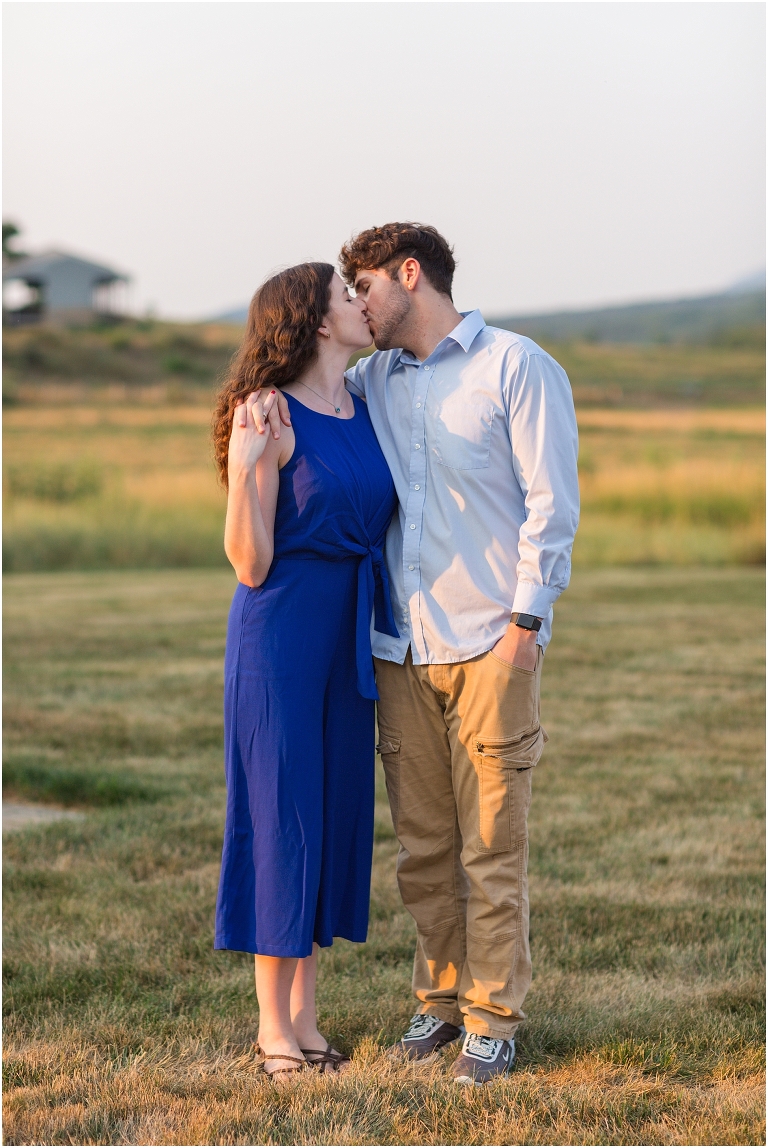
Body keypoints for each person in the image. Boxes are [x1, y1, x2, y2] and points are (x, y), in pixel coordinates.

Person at [262, 223, 580, 1084]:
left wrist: (525, 625)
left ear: (410, 275)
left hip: (490, 644)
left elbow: (552, 506)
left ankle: (493, 1019)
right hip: (399, 650)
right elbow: (306, 381)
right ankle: (439, 1004)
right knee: (425, 849)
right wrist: (259, 404)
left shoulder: (515, 366)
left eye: (364, 284)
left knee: (490, 841)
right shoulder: (374, 380)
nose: (357, 301)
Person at [211, 262, 398, 1080]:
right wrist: (253, 465)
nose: (362, 305)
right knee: (281, 816)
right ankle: (271, 1029)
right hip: (279, 634)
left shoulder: (362, 406)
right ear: (318, 321)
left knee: (326, 815)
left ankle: (310, 1019)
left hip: (345, 635)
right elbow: (248, 562)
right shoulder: (268, 412)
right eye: (346, 296)